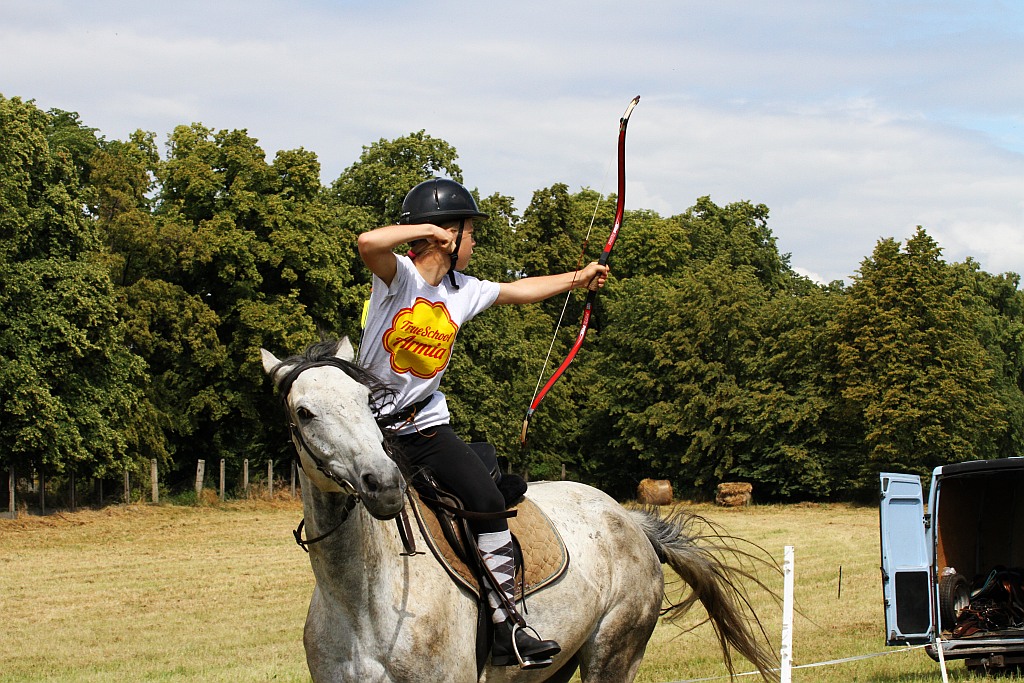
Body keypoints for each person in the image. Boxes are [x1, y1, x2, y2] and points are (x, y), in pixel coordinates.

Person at [356, 177, 608, 669]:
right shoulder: (397, 277)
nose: (474, 242)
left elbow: (521, 290)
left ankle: (507, 624)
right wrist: (427, 230)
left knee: (489, 500)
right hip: (373, 431)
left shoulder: (463, 290)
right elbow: (368, 242)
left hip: (426, 428)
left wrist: (579, 278)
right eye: (469, 232)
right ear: (447, 236)